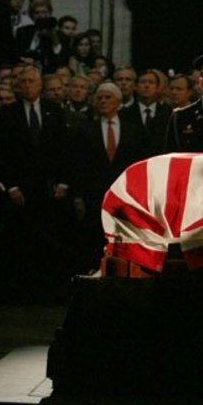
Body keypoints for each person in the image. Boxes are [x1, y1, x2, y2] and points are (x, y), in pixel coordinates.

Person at [0, 64, 72, 302]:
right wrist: (10, 185)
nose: (28, 86)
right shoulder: (7, 113)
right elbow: (2, 153)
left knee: (48, 240)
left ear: (41, 85)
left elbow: (64, 149)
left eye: (32, 81)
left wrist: (64, 182)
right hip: (20, 187)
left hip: (48, 187)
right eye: (24, 82)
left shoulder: (55, 110)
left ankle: (47, 292)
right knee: (20, 241)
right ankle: (19, 292)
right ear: (18, 86)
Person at [73, 82, 148, 270]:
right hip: (93, 197)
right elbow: (78, 165)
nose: (103, 101)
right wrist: (78, 196)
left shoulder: (134, 131)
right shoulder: (84, 130)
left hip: (124, 196)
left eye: (108, 97)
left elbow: (138, 166)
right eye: (99, 97)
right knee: (93, 240)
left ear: (119, 102)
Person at [121, 68, 172, 155]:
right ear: (135, 87)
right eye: (143, 82)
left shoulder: (168, 112)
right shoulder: (124, 114)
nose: (146, 85)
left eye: (151, 82)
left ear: (157, 87)